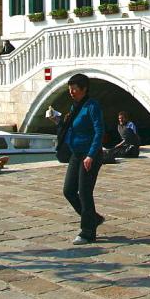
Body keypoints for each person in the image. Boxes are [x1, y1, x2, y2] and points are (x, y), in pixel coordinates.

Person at [57, 73, 105, 245]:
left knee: (85, 192)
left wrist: (91, 154)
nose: (71, 92)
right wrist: (58, 120)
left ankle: (88, 231)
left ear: (84, 89)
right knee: (68, 190)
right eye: (70, 89)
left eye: (75, 89)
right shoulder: (75, 106)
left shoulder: (92, 106)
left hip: (90, 154)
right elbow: (71, 128)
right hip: (76, 154)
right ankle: (93, 218)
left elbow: (99, 131)